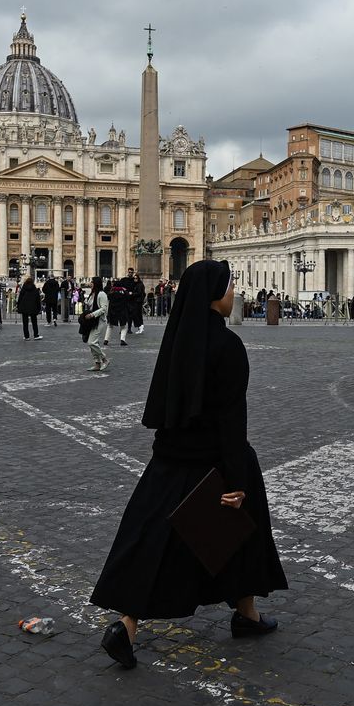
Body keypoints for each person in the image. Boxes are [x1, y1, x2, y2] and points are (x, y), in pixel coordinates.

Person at [91, 259, 287, 669]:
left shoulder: (179, 337)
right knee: (245, 530)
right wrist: (236, 479)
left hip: (172, 457)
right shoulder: (228, 346)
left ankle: (127, 624)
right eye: (229, 286)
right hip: (216, 459)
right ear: (214, 295)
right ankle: (247, 613)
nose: (234, 293)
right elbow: (232, 419)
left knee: (152, 542)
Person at [84, 276, 110, 371]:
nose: (90, 283)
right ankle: (97, 364)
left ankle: (104, 359)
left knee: (92, 342)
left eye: (92, 282)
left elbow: (104, 308)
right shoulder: (92, 293)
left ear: (96, 283)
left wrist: (92, 314)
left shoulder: (102, 294)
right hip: (92, 321)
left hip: (99, 321)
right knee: (92, 342)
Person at [108, 276, 133, 346]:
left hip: (113, 311)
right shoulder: (123, 293)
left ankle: (106, 340)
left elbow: (108, 296)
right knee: (124, 326)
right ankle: (122, 340)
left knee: (110, 326)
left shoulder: (112, 292)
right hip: (122, 311)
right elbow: (128, 296)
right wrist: (124, 290)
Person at [17, 276, 42, 341]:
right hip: (33, 307)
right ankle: (36, 335)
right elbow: (38, 300)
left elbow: (20, 298)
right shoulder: (35, 290)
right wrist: (39, 308)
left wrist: (18, 307)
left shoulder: (23, 289)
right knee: (34, 322)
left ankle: (26, 336)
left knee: (25, 323)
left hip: (24, 307)